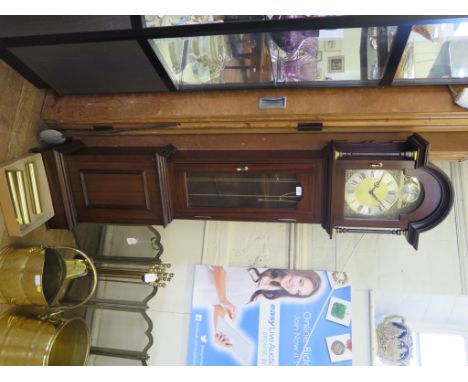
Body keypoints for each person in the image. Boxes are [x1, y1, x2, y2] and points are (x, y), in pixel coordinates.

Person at [192, 266, 323, 348]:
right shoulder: (262, 265)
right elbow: (219, 266)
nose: (294, 287)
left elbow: (218, 306)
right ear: (298, 271)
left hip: (193, 298)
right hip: (192, 276)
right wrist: (223, 298)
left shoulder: (260, 295)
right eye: (300, 281)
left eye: (298, 292)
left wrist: (218, 332)